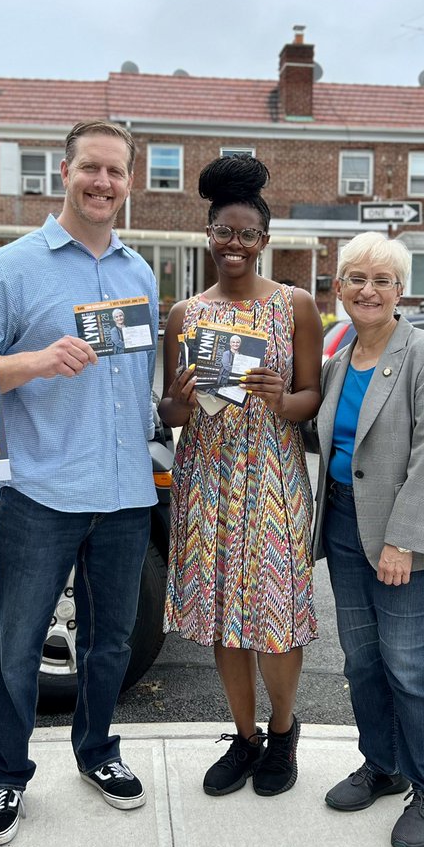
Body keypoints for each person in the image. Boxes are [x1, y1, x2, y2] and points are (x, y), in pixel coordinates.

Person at [0, 119, 159, 847]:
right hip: (42, 491)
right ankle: (4, 776)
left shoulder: (140, 273)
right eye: (91, 168)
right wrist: (33, 362)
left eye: (117, 172)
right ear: (63, 171)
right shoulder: (14, 266)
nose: (103, 183)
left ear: (130, 183)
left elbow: (134, 384)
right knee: (16, 642)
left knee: (112, 643)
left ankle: (98, 753)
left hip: (127, 492)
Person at [160, 155, 323, 798]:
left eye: (246, 234)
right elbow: (172, 413)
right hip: (206, 477)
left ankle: (283, 734)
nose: (234, 244)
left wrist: (284, 400)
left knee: (275, 614)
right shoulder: (185, 313)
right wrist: (176, 396)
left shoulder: (296, 306)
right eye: (223, 232)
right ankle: (245, 735)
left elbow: (313, 394)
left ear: (264, 241)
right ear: (209, 235)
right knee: (224, 613)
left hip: (274, 475)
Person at [312, 232, 424, 847]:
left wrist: (403, 540)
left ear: (401, 291)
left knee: (413, 669)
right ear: (338, 288)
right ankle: (382, 765)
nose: (368, 290)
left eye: (383, 281)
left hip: (414, 536)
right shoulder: (337, 358)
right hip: (346, 527)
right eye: (356, 278)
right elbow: (326, 439)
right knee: (362, 663)